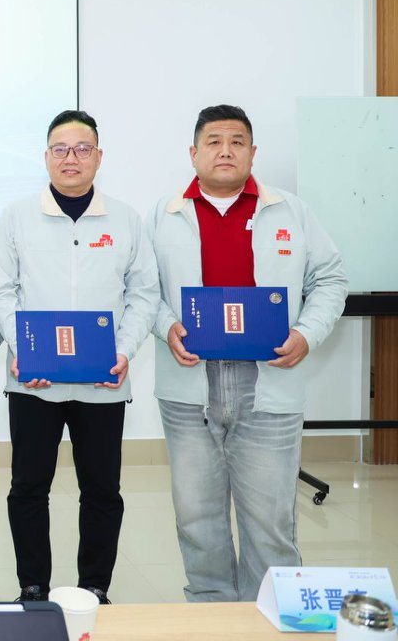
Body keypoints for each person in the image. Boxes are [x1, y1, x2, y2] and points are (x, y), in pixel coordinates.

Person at [148, 104, 347, 602]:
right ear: (193, 153)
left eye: (237, 142)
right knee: (197, 517)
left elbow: (331, 279)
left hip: (268, 382)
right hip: (189, 385)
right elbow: (141, 289)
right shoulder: (163, 215)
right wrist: (166, 326)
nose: (225, 151)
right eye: (213, 142)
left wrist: (307, 333)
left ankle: (271, 617)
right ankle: (212, 614)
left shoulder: (291, 212)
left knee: (270, 519)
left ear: (253, 153)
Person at [0, 109, 158, 605]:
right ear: (46, 157)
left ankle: (95, 587)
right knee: (28, 487)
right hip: (34, 381)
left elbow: (144, 294)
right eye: (60, 149)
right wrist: (24, 348)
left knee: (102, 489)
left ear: (99, 157)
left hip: (102, 382)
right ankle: (32, 586)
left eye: (83, 149)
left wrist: (123, 351)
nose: (71, 158)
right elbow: (2, 291)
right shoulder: (17, 216)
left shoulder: (125, 219)